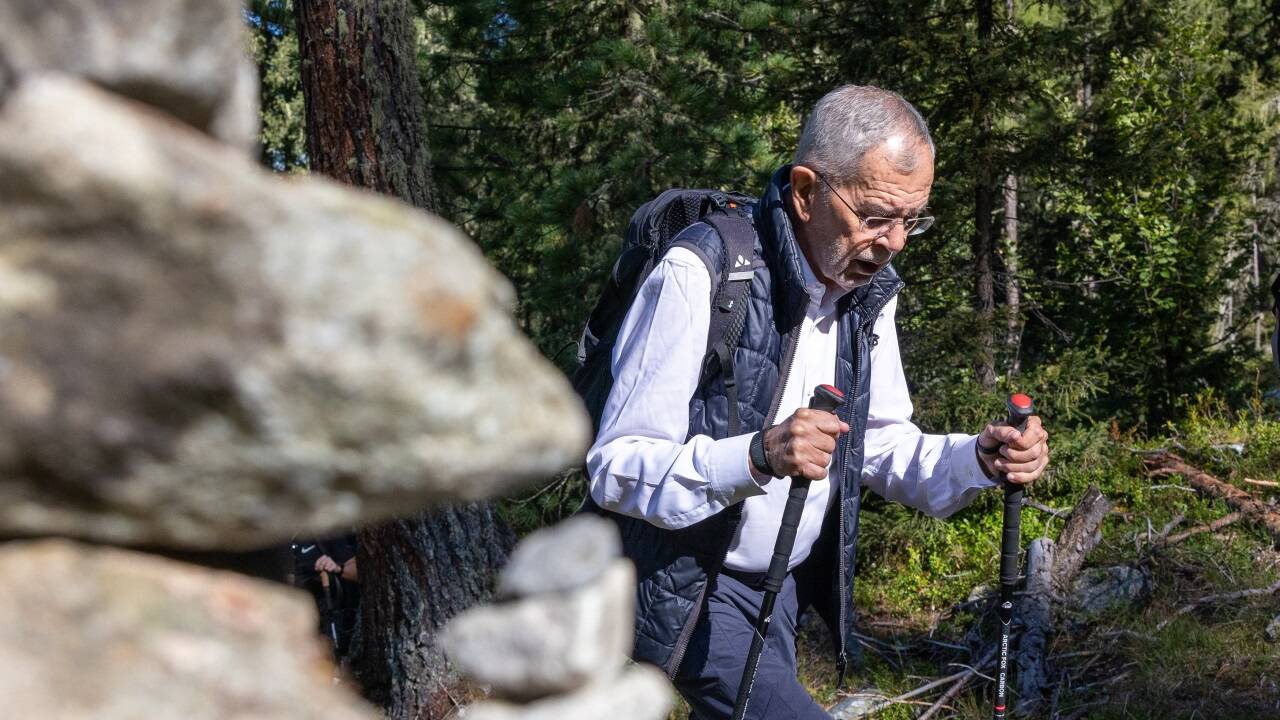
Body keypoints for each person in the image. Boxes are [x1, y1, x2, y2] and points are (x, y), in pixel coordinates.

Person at [583, 85, 1050, 719]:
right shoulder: (702, 274)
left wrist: (980, 458)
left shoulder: (867, 296)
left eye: (912, 220)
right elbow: (617, 467)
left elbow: (880, 443)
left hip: (779, 589)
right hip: (682, 580)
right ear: (805, 192)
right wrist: (758, 454)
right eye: (877, 215)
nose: (895, 242)